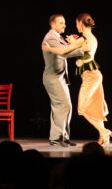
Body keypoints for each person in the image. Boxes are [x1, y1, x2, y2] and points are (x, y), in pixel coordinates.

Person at [43, 13, 112, 146]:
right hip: (94, 75)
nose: (74, 26)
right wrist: (74, 43)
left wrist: (49, 48)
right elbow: (82, 49)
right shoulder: (90, 37)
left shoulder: (84, 38)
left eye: (75, 23)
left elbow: (66, 52)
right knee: (94, 106)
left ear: (80, 24)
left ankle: (104, 131)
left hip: (90, 77)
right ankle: (104, 137)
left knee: (82, 109)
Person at [41, 14, 84, 147]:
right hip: (53, 78)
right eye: (61, 23)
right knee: (63, 105)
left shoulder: (58, 37)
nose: (64, 25)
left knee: (63, 106)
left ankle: (61, 137)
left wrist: (74, 43)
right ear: (53, 24)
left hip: (60, 77)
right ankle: (57, 138)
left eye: (64, 22)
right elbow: (64, 52)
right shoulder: (50, 38)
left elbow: (68, 49)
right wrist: (81, 48)